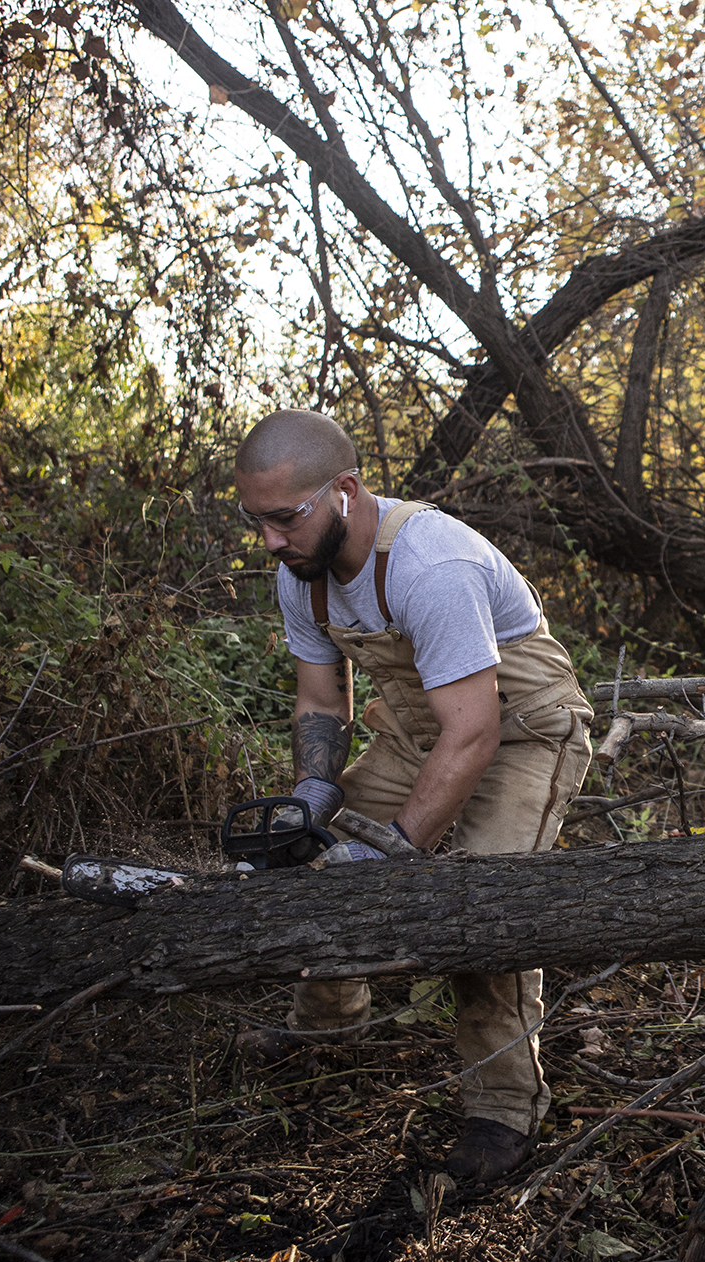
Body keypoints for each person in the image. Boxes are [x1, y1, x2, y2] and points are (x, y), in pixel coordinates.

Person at [233, 409, 593, 1183]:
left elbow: (474, 736)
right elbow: (323, 704)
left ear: (346, 492)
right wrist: (313, 802)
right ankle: (328, 1026)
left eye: (284, 519)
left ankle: (503, 1110)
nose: (270, 540)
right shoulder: (302, 574)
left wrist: (387, 849)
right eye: (255, 521)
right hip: (420, 737)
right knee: (318, 864)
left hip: (521, 733)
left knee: (482, 910)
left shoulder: (433, 565)